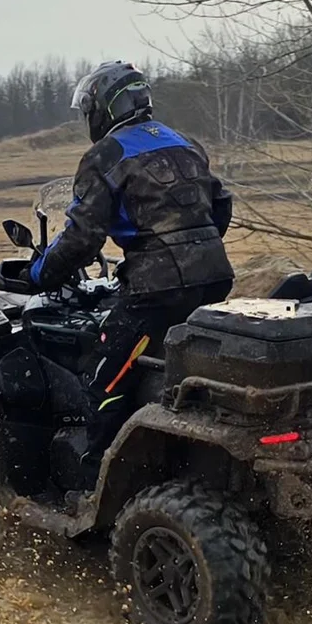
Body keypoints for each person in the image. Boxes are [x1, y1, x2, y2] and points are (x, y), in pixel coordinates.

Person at [29, 61, 234, 481]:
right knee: (177, 363)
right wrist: (196, 248)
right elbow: (221, 206)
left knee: (104, 378)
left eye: (89, 110)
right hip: (215, 278)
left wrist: (40, 273)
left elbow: (83, 236)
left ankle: (97, 483)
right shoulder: (185, 142)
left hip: (156, 292)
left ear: (103, 108)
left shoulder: (106, 153)